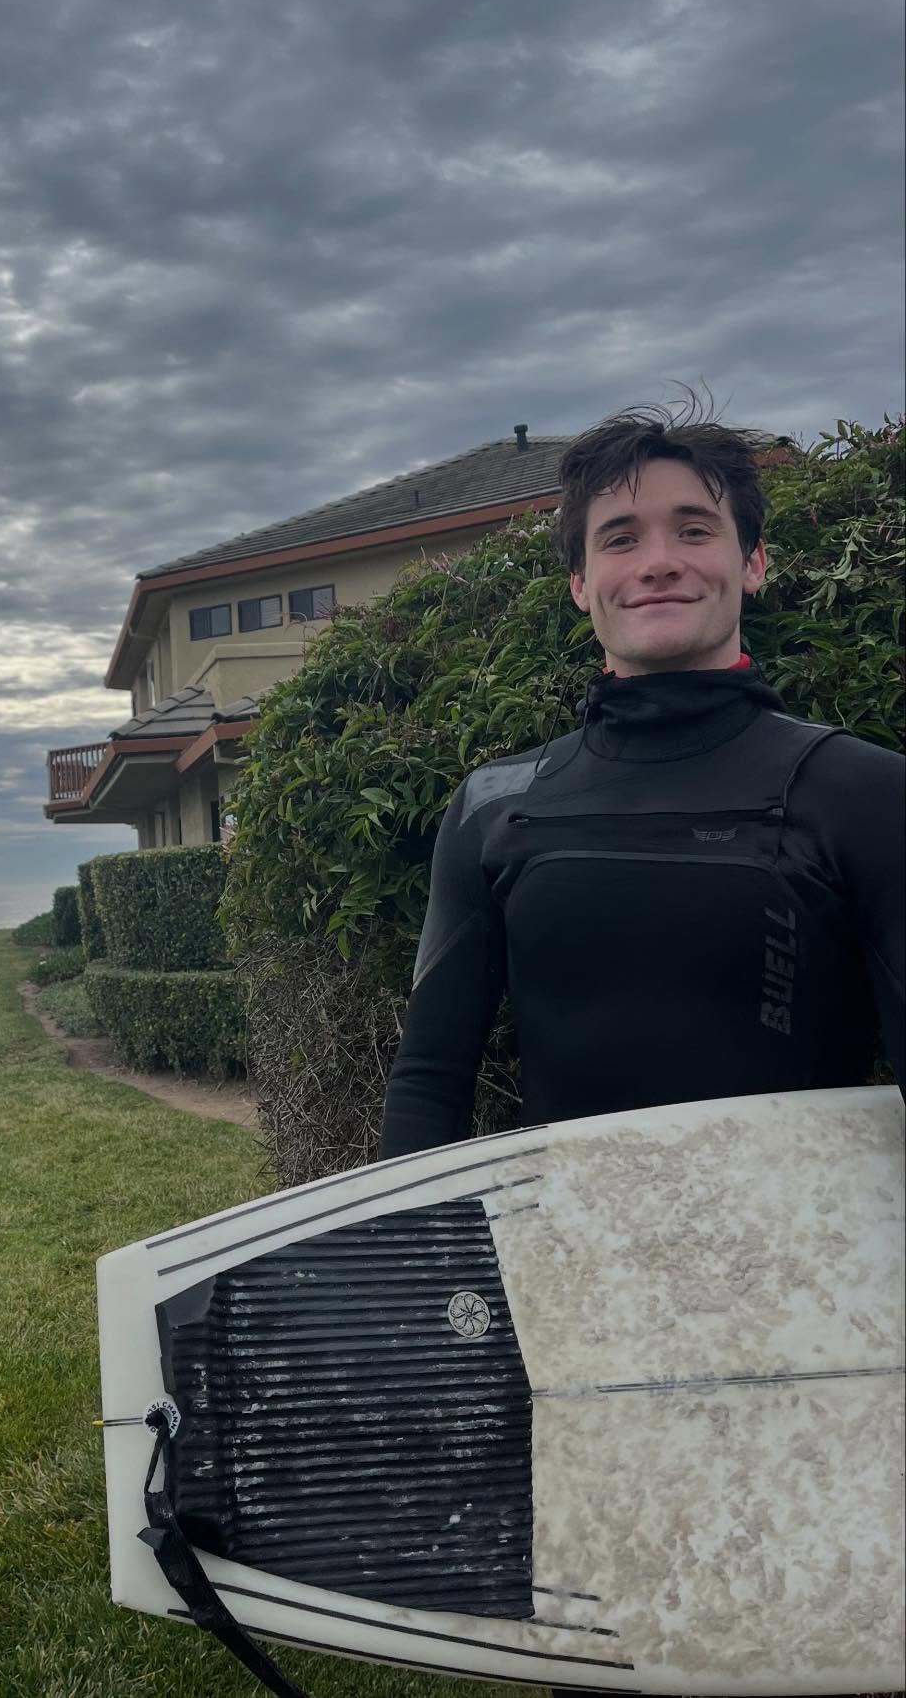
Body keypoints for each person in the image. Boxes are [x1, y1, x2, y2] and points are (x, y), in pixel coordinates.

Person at [379, 403, 904, 1161]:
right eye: (620, 539)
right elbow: (429, 1081)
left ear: (752, 564)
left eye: (694, 530)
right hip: (566, 1263)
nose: (658, 561)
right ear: (580, 584)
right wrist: (416, 1263)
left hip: (806, 1264)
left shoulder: (867, 794)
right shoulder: (494, 808)